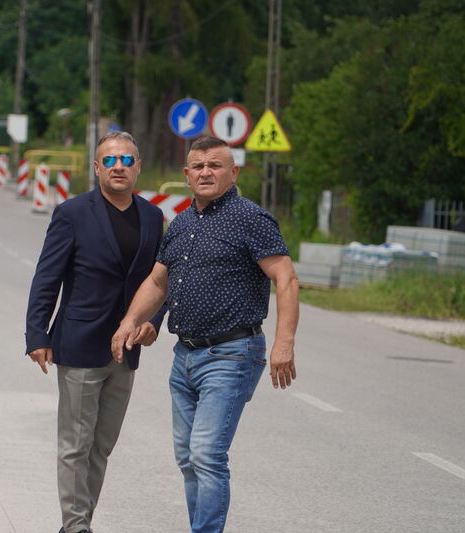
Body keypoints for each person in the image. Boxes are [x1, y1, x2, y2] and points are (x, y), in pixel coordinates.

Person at [111, 135, 299, 533]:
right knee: (187, 456)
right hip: (185, 357)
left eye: (215, 165)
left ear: (234, 172)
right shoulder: (181, 222)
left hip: (232, 352)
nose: (206, 172)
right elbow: (158, 283)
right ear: (186, 174)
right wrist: (130, 321)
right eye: (198, 166)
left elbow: (285, 278)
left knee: (207, 454)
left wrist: (284, 343)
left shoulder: (251, 218)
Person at [25, 131, 167, 533]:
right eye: (109, 160)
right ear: (96, 167)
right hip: (80, 344)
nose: (118, 166)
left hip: (126, 352)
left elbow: (161, 280)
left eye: (127, 160)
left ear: (138, 166)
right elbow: (46, 277)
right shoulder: (72, 213)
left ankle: (81, 522)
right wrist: (37, 334)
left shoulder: (153, 216)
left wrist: (152, 323)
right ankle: (75, 527)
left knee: (101, 446)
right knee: (75, 445)